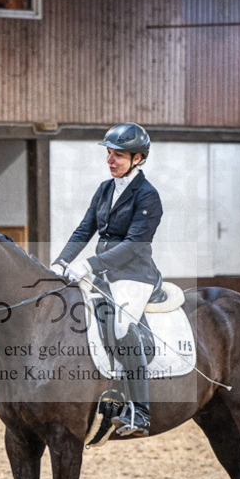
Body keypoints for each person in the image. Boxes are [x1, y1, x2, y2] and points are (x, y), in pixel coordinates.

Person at [51, 123, 163, 436]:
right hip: (102, 273)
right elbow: (84, 229)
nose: (111, 160)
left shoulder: (148, 196)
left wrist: (88, 264)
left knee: (122, 326)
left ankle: (140, 412)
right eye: (109, 153)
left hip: (134, 274)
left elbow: (133, 246)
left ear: (138, 158)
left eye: (119, 155)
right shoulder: (104, 189)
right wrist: (61, 262)